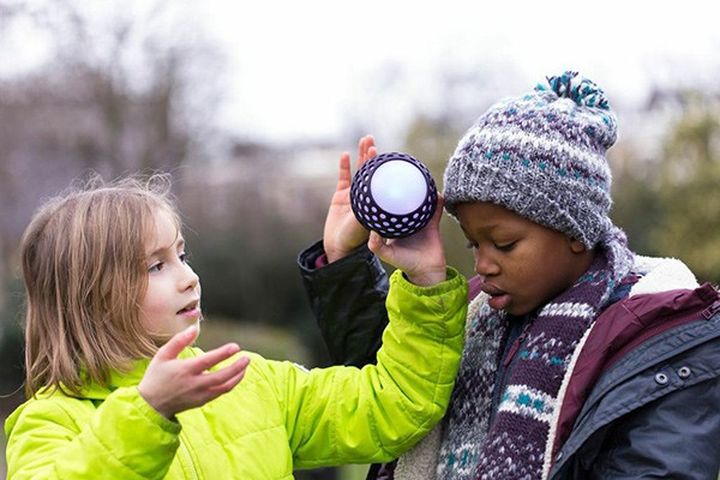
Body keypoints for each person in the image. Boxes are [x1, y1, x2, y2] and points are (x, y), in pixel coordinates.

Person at [298, 72, 720, 479]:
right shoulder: (477, 310)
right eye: (473, 245)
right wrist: (345, 258)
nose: (484, 264)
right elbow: (396, 395)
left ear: (575, 231)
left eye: (504, 244)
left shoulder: (656, 339)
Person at [4, 174, 469, 479]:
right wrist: (148, 413)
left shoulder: (253, 382)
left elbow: (394, 405)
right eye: (155, 267)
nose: (189, 278)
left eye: (181, 256)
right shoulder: (49, 424)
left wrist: (424, 280)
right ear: (89, 297)